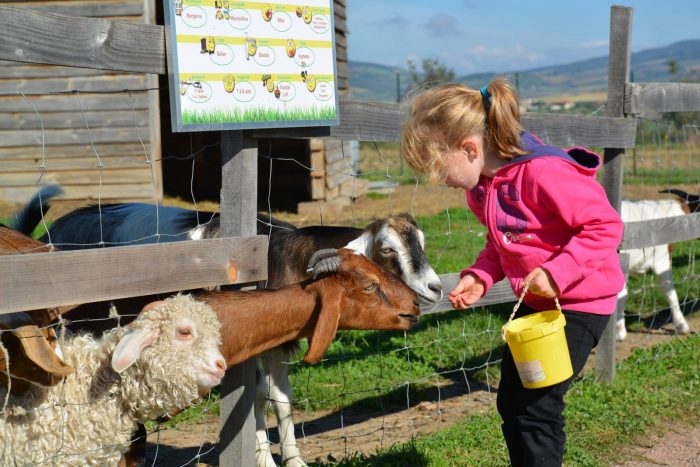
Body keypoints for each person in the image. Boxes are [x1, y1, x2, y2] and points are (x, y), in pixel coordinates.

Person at [400, 78, 624, 466]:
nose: (441, 182)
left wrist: (557, 272)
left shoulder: (543, 174)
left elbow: (605, 226)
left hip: (580, 303)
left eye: (439, 169)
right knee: (513, 401)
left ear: (470, 148)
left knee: (535, 407)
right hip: (537, 305)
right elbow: (502, 243)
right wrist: (480, 277)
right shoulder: (482, 190)